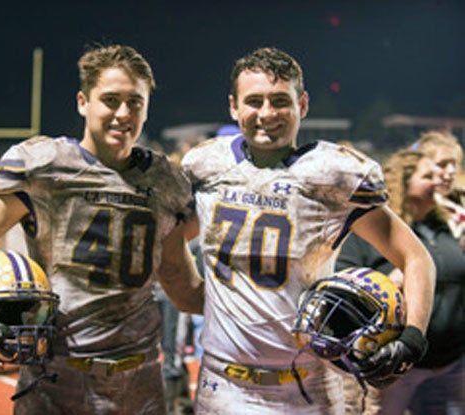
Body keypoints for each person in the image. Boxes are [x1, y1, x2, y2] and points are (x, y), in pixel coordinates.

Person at [0, 44, 204, 414]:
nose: (123, 113)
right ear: (82, 102)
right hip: (56, 381)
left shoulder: (165, 180)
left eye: (135, 102)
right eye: (110, 99)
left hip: (139, 384)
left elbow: (182, 286)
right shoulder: (47, 167)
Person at [181, 47, 435, 414]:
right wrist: (184, 290)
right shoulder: (206, 166)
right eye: (254, 101)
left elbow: (415, 257)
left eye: (279, 101)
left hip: (306, 386)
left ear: (302, 104)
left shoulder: (331, 176)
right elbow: (168, 236)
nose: (267, 113)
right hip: (222, 384)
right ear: (234, 107)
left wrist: (412, 338)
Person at [338, 148, 465, 414]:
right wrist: (386, 283)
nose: (439, 180)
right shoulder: (378, 230)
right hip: (399, 363)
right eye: (427, 175)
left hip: (449, 361)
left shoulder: (442, 227)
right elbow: (344, 285)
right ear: (404, 182)